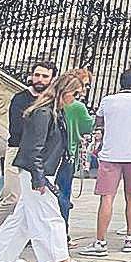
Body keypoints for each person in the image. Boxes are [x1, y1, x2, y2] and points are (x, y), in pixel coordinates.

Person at [0, 72, 81, 262]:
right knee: (51, 217)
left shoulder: (53, 112)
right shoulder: (43, 113)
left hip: (41, 172)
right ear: (65, 91)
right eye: (76, 93)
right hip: (37, 173)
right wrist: (38, 178)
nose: (77, 98)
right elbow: (33, 148)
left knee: (20, 222)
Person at [0, 57, 56, 262]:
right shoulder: (21, 98)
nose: (40, 79)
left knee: (25, 205)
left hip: (37, 156)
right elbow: (17, 128)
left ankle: (4, 253)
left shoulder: (51, 101)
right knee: (12, 197)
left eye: (45, 76)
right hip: (18, 151)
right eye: (37, 74)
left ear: (52, 79)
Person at [80, 68, 131, 256]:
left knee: (107, 197)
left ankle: (100, 241)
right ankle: (130, 237)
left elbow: (99, 122)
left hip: (111, 154)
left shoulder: (108, 100)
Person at [56, 69, 95, 232]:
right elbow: (88, 126)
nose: (85, 90)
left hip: (54, 154)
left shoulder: (56, 102)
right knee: (63, 194)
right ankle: (63, 232)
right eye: (84, 86)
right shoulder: (77, 106)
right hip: (68, 154)